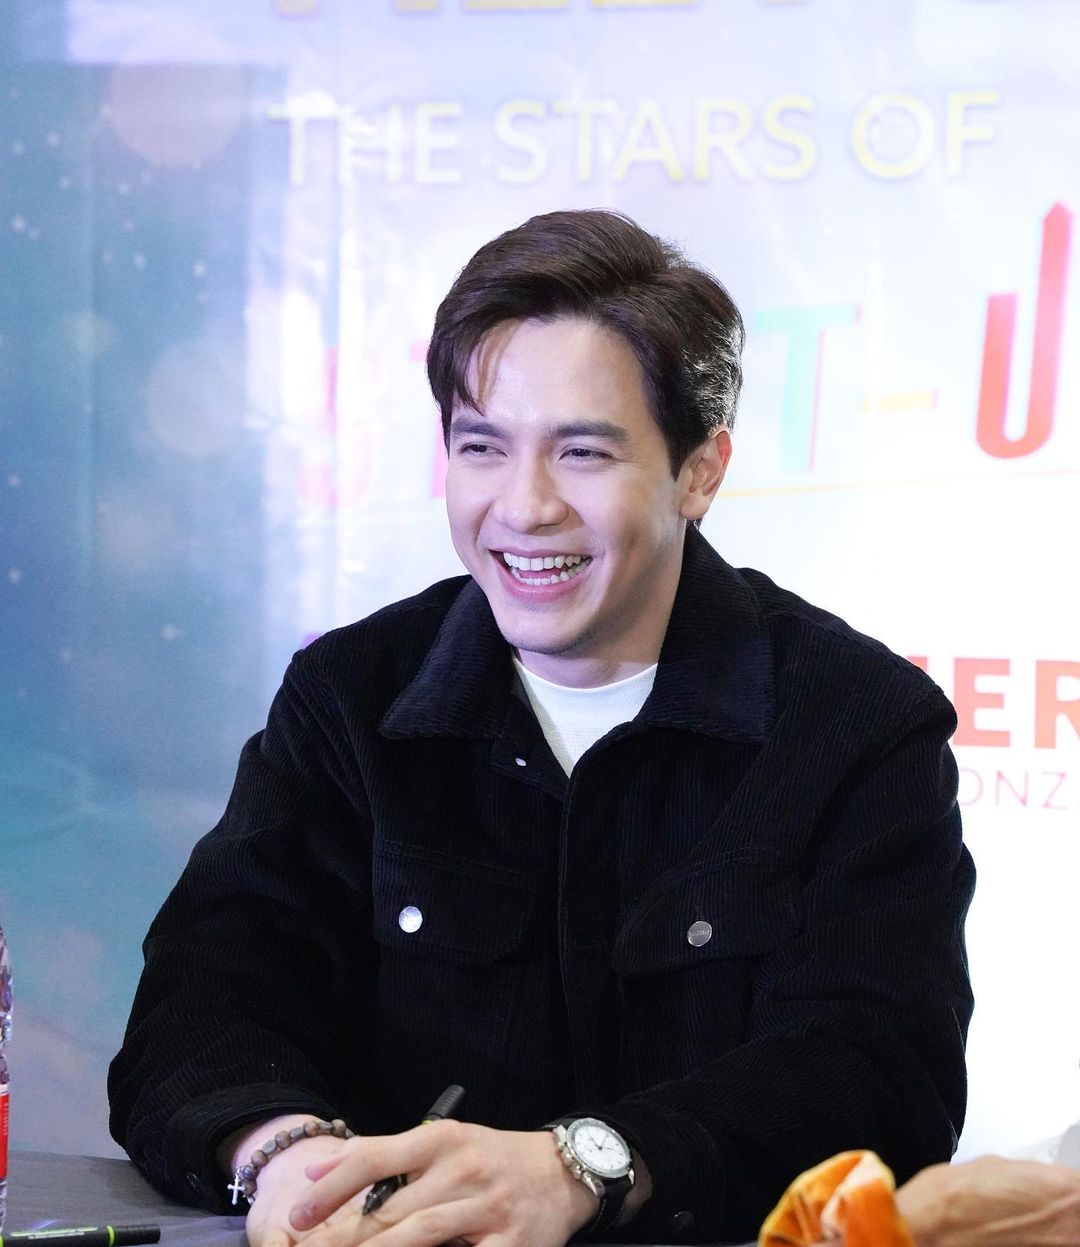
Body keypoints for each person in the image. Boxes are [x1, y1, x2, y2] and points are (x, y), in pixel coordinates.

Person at [108, 209, 975, 1247]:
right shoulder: (352, 694)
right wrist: (287, 1156)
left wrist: (585, 1165)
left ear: (700, 470)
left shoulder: (857, 721)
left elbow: (883, 1077)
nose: (524, 507)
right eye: (482, 447)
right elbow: (202, 1001)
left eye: (582, 452)